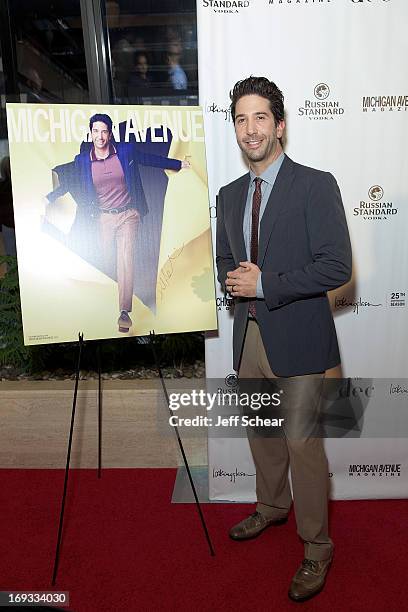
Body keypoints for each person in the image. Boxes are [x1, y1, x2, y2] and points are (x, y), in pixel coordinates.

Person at [216, 77, 352, 602]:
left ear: (280, 125)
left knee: (303, 446)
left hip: (298, 338)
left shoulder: (315, 185)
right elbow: (227, 260)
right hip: (247, 335)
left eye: (260, 118)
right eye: (241, 119)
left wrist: (266, 283)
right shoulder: (229, 195)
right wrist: (230, 280)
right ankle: (271, 506)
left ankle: (317, 547)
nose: (250, 129)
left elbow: (336, 265)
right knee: (263, 436)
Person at [45, 113, 190, 333]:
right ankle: (99, 300)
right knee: (103, 257)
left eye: (104, 131)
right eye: (95, 131)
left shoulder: (125, 152)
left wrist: (178, 163)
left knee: (125, 257)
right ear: (91, 133)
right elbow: (71, 180)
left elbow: (149, 160)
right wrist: (51, 196)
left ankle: (124, 312)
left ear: (110, 133)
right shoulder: (83, 160)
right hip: (103, 217)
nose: (100, 136)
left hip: (128, 214)